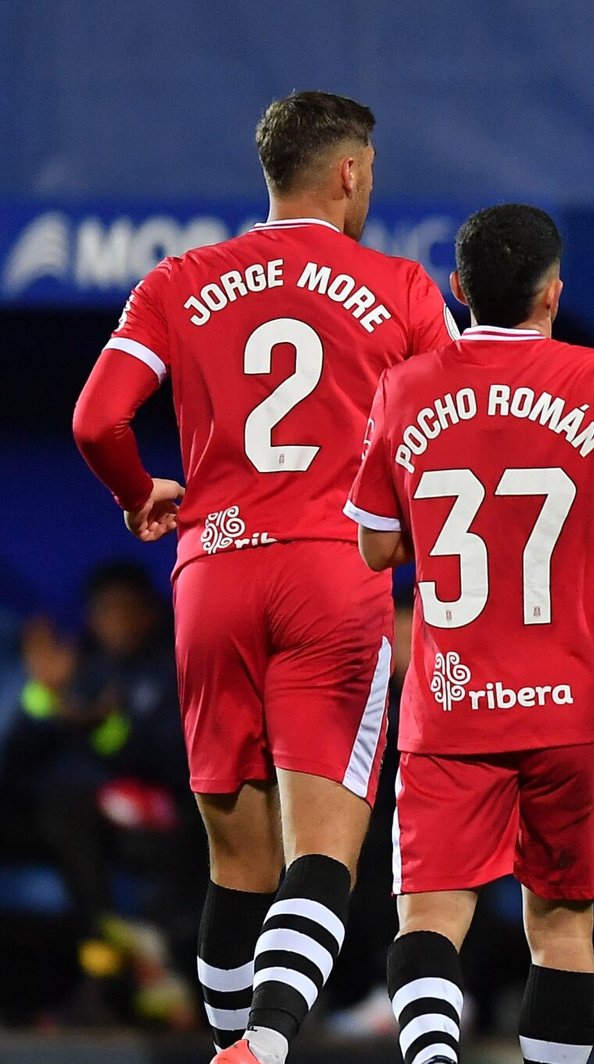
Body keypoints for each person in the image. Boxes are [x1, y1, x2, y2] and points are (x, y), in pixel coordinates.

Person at [71, 90, 459, 1064]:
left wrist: (136, 491)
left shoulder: (180, 279)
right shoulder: (405, 289)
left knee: (237, 866)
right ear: (350, 173)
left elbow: (93, 421)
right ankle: (270, 1044)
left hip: (214, 571)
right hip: (334, 573)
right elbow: (454, 441)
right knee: (323, 850)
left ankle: (233, 1045)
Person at [346, 202, 594, 1064]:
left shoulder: (403, 386)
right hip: (571, 707)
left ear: (455, 289)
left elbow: (377, 544)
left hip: (453, 703)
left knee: (428, 915)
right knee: (563, 927)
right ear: (552, 293)